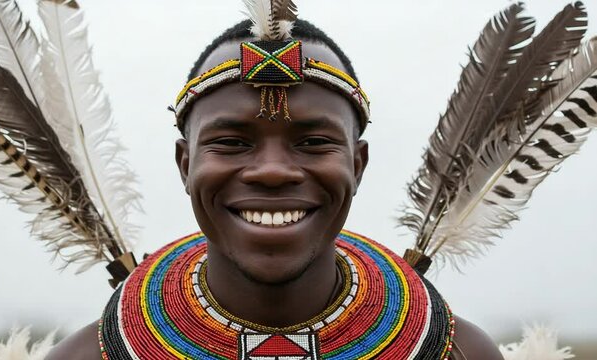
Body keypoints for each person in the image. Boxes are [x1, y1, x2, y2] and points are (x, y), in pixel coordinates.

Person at [45, 18, 503, 360]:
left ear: (357, 165)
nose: (272, 171)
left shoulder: (462, 353)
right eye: (230, 142)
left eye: (313, 142)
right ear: (185, 165)